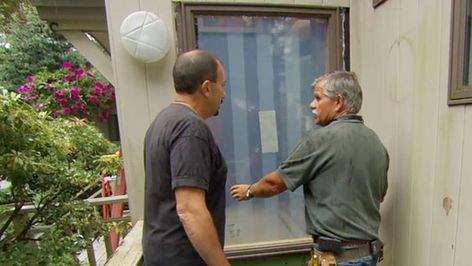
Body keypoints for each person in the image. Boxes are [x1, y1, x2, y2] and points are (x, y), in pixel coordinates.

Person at [231, 71, 389, 266]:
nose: (311, 105)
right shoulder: (376, 143)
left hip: (338, 259)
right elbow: (379, 196)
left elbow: (274, 184)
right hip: (368, 256)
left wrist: (249, 190)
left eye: (318, 98)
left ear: (338, 102)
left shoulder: (321, 140)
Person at [143, 49, 230, 266]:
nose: (224, 94)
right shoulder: (190, 129)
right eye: (223, 85)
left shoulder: (162, 121)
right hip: (182, 258)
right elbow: (189, 209)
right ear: (207, 88)